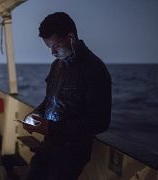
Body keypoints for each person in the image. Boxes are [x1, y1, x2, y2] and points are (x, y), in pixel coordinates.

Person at [22, 12, 112, 180]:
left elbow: (100, 123)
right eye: (49, 47)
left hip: (71, 155)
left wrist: (49, 127)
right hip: (48, 146)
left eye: (55, 46)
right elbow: (50, 100)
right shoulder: (57, 65)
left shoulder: (95, 69)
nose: (52, 52)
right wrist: (36, 113)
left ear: (71, 37)